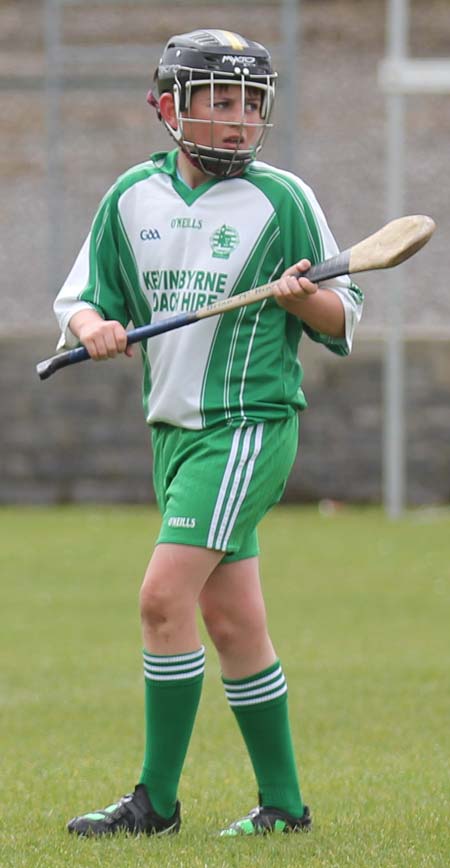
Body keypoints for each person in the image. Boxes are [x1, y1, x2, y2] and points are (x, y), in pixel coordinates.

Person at [53, 28, 363, 838]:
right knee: (233, 625)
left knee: (162, 599)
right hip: (175, 435)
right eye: (218, 101)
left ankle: (154, 804)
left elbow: (343, 316)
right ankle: (285, 808)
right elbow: (83, 296)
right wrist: (95, 328)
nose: (236, 120)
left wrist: (303, 300)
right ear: (168, 108)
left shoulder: (284, 199)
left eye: (250, 103)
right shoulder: (131, 197)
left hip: (246, 428)